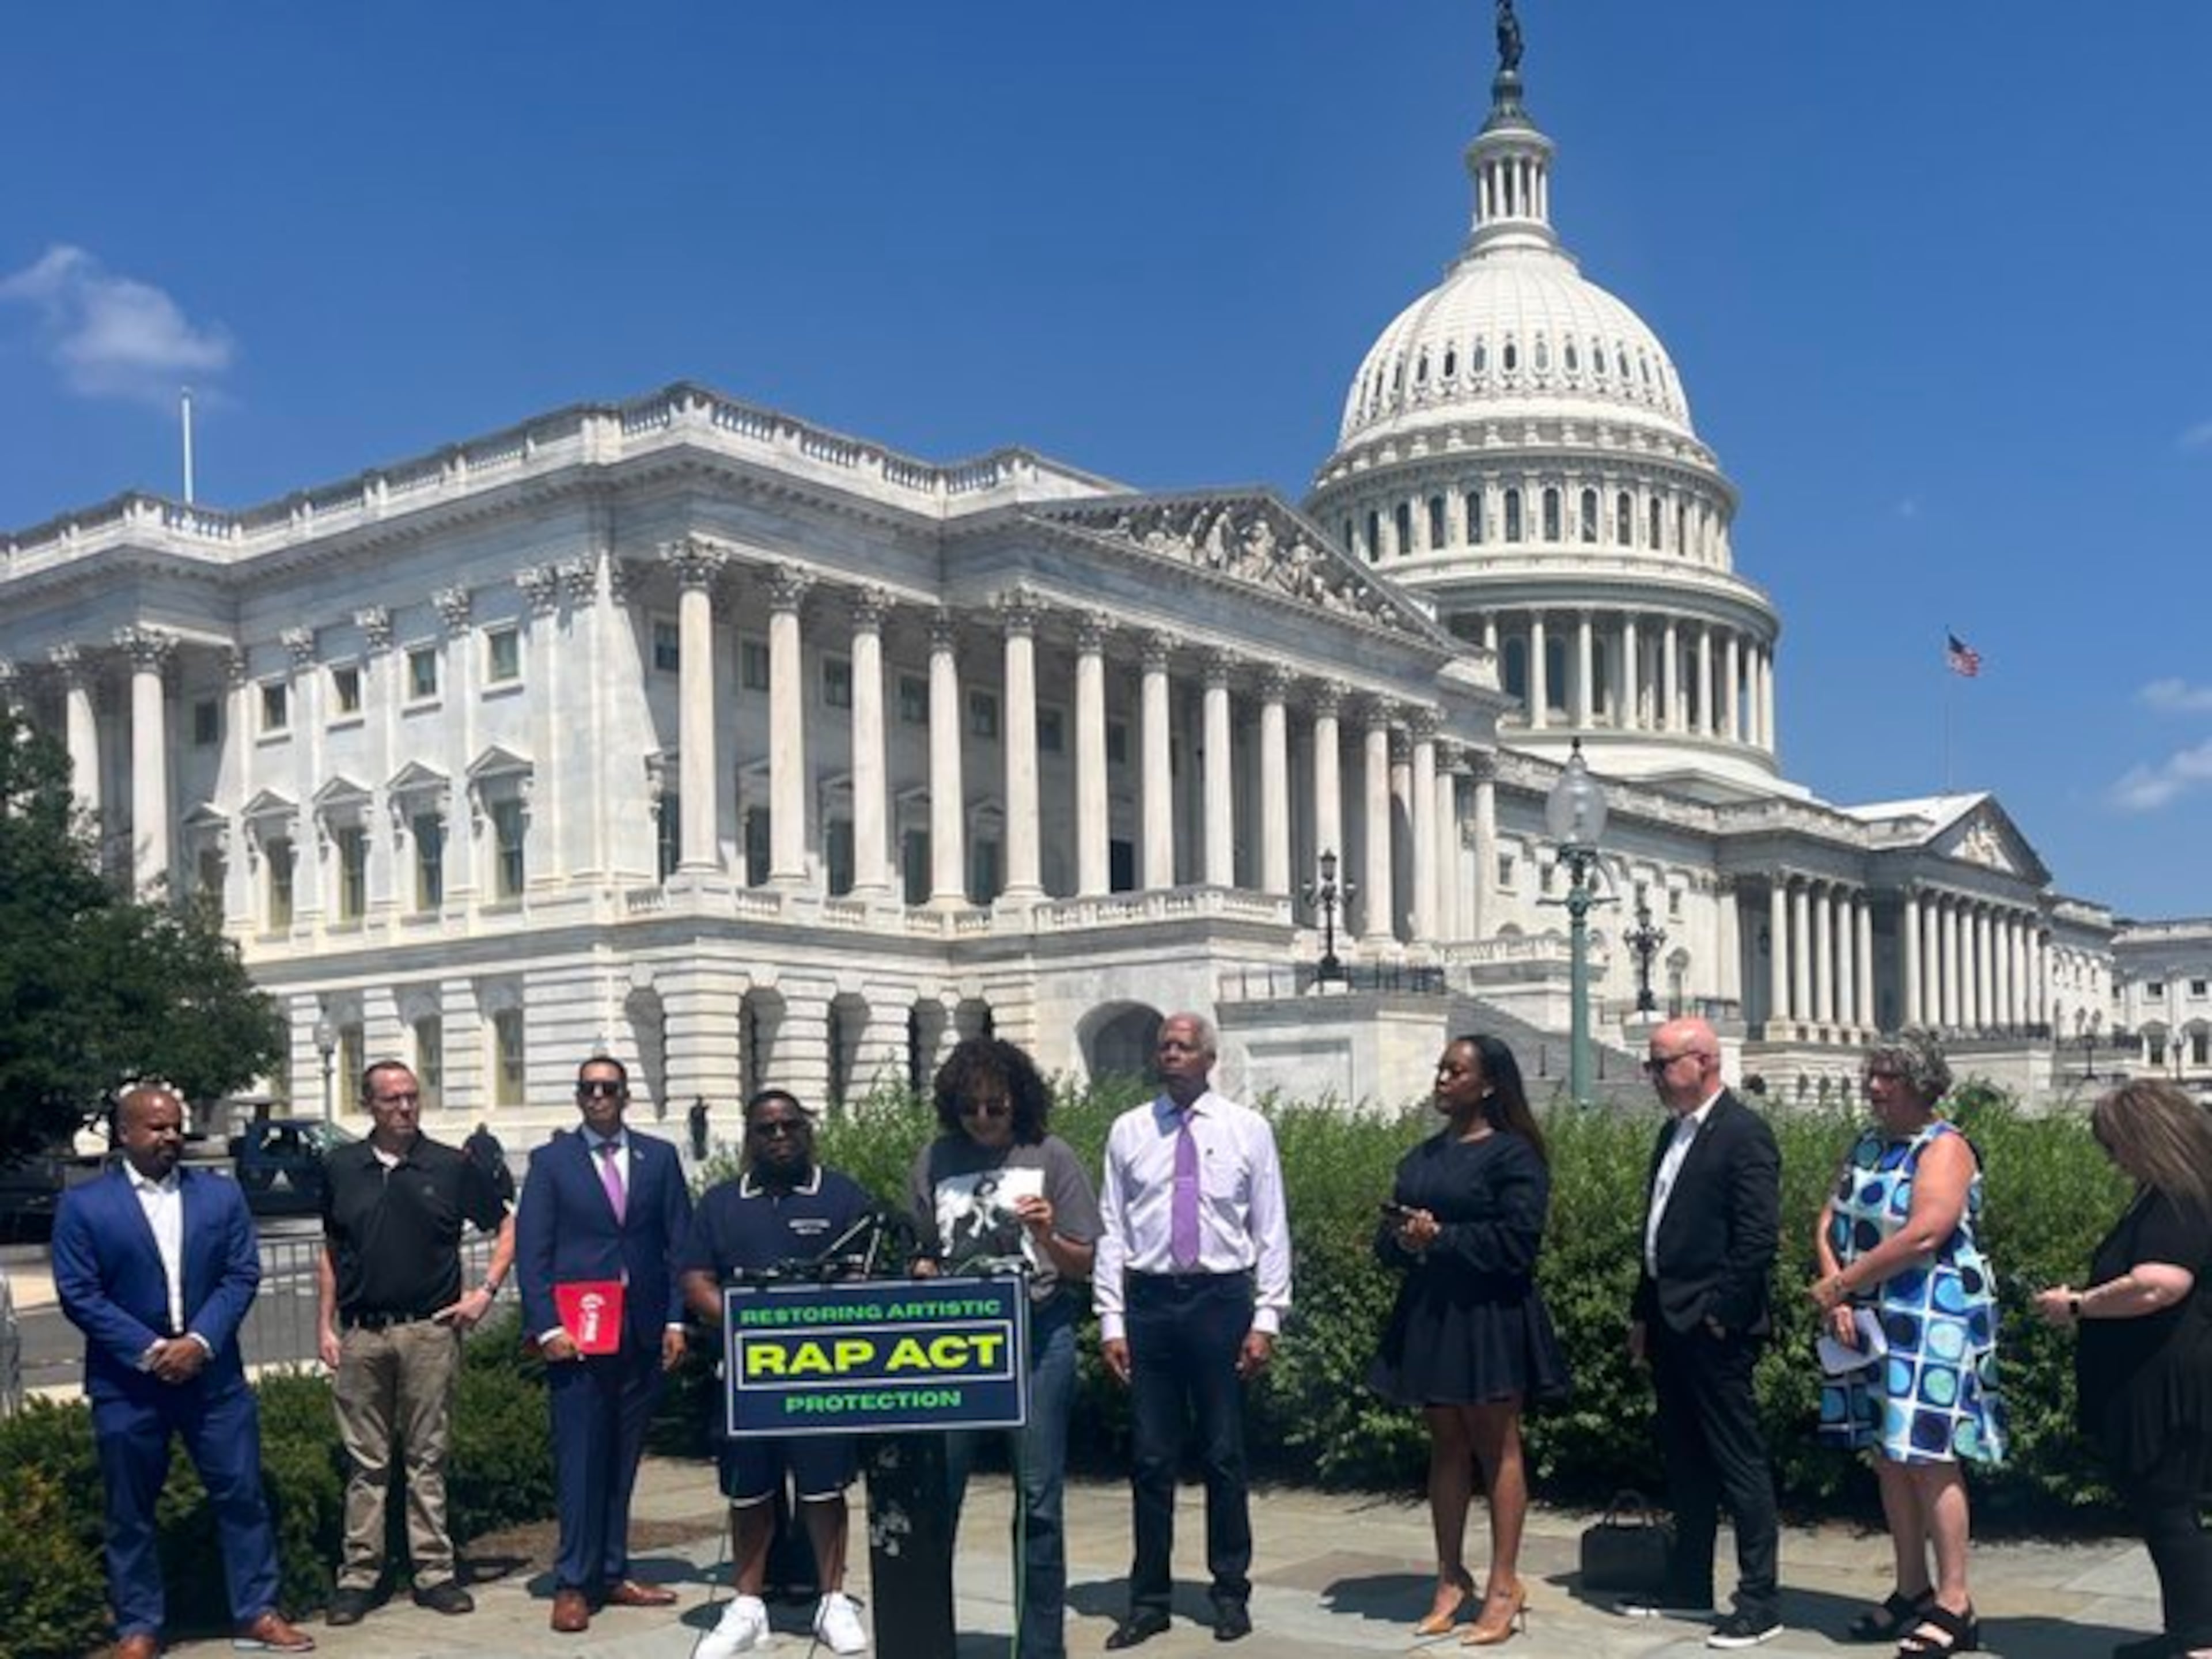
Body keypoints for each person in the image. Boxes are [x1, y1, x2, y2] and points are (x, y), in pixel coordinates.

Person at [51, 1083, 316, 1658]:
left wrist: (200, 1341)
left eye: (177, 1126)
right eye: (156, 1127)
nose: (171, 1136)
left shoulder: (219, 1197)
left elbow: (241, 1273)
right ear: (125, 1134)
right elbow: (79, 1293)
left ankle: (258, 1611)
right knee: (130, 1512)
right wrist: (150, 1350)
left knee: (242, 1496)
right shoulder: (85, 1206)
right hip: (128, 1386)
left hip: (213, 1382)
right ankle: (139, 1627)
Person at [1094, 1012, 1291, 1648]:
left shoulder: (1247, 1130)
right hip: (1151, 1302)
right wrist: (1110, 1319)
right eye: (1164, 1048)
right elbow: (1111, 1230)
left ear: (1209, 1059)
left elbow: (1270, 1227)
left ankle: (1229, 1592)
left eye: (1182, 1048)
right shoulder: (1130, 1131)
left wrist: (1267, 1317)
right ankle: (1148, 1598)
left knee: (1224, 1453)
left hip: (1220, 1299)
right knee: (1151, 1458)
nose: (1170, 1056)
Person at [1810, 1031, 2004, 1657]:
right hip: (1868, 1314)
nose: (1874, 1087)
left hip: (1932, 1317)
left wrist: (1844, 1281)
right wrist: (1839, 1293)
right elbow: (1827, 1219)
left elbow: (1927, 1233)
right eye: (1873, 1074)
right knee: (1888, 1455)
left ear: (1922, 1084)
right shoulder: (1867, 1142)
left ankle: (1955, 1600)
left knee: (1930, 1455)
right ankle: (1911, 1588)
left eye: (1888, 1076)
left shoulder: (1944, 1147)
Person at [1370, 1035, 1568, 1647]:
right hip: (1433, 1314)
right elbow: (1385, 1241)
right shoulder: (1422, 1157)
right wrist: (1407, 1240)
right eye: (1440, 1069)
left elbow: (1517, 1246)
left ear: (1487, 1085)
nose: (1442, 1079)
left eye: (1456, 1071)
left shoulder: (1514, 1157)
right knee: (1446, 1444)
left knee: (1496, 1444)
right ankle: (1450, 1577)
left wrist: (1442, 1238)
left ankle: (1504, 1583)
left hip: (1490, 1316)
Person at [908, 1036, 1103, 1659]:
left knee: (1039, 1499)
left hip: (1037, 1334)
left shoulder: (1052, 1156)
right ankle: (930, 1639)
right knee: (940, 1498)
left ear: (1018, 1100)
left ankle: (1040, 1649)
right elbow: (922, 1249)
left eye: (996, 1107)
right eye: (972, 1109)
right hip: (955, 1346)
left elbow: (1083, 1264)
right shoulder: (935, 1159)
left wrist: (1047, 1233)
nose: (985, 1119)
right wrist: (922, 1270)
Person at [315, 1060, 517, 1625]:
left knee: (427, 1458)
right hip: (362, 1335)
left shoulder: (452, 1166)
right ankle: (360, 1577)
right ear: (369, 1106)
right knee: (367, 1463)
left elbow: (507, 1225)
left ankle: (434, 1573)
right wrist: (324, 1326)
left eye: (412, 1097)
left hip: (430, 1331)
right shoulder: (340, 1167)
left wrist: (486, 1292)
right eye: (391, 1100)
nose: (404, 1108)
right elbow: (332, 1250)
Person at [683, 1089, 872, 1657]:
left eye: (790, 1125)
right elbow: (696, 1282)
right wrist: (748, 1326)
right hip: (747, 1375)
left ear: (807, 1129)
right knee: (749, 1492)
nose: (780, 1136)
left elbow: (866, 1274)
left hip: (819, 1375)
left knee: (823, 1488)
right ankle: (747, 1606)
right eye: (767, 1129)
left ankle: (832, 1600)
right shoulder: (720, 1202)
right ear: (750, 1137)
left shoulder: (841, 1195)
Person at [514, 1055, 692, 1634]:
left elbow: (677, 1247)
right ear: (577, 1096)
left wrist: (675, 1321)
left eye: (608, 1088)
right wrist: (546, 1328)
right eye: (588, 1088)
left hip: (640, 1332)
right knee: (581, 1460)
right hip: (578, 1336)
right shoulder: (551, 1163)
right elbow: (532, 1253)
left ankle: (614, 1571)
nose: (598, 1096)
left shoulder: (658, 1159)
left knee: (622, 1460)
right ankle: (573, 1581)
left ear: (624, 1096)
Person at [2034, 1080, 2212, 1659]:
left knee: (2168, 1509)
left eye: (2116, 1146)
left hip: (2167, 1379)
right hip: (2159, 1372)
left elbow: (2160, 1284)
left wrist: (2079, 1304)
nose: (2113, 1159)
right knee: (2168, 1508)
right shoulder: (2171, 1192)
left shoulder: (2179, 1198)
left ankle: (2198, 1642)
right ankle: (2188, 1632)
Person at [1624, 1016, 1783, 1652]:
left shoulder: (1744, 1134)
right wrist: (1643, 1312)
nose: (1654, 1077)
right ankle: (1688, 1579)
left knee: (1738, 1461)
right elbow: (1655, 1233)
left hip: (1715, 1325)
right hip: (1668, 1318)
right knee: (1685, 1458)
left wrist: (1719, 1311)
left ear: (1704, 1063)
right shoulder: (1673, 1133)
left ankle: (1760, 1599)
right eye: (1652, 1065)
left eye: (1662, 1064)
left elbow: (1756, 1239)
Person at [463, 1120, 516, 1208]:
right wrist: (498, 1167)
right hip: (491, 1168)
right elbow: (500, 1154)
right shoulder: (492, 1139)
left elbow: (466, 1153)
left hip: (477, 1168)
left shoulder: (471, 1139)